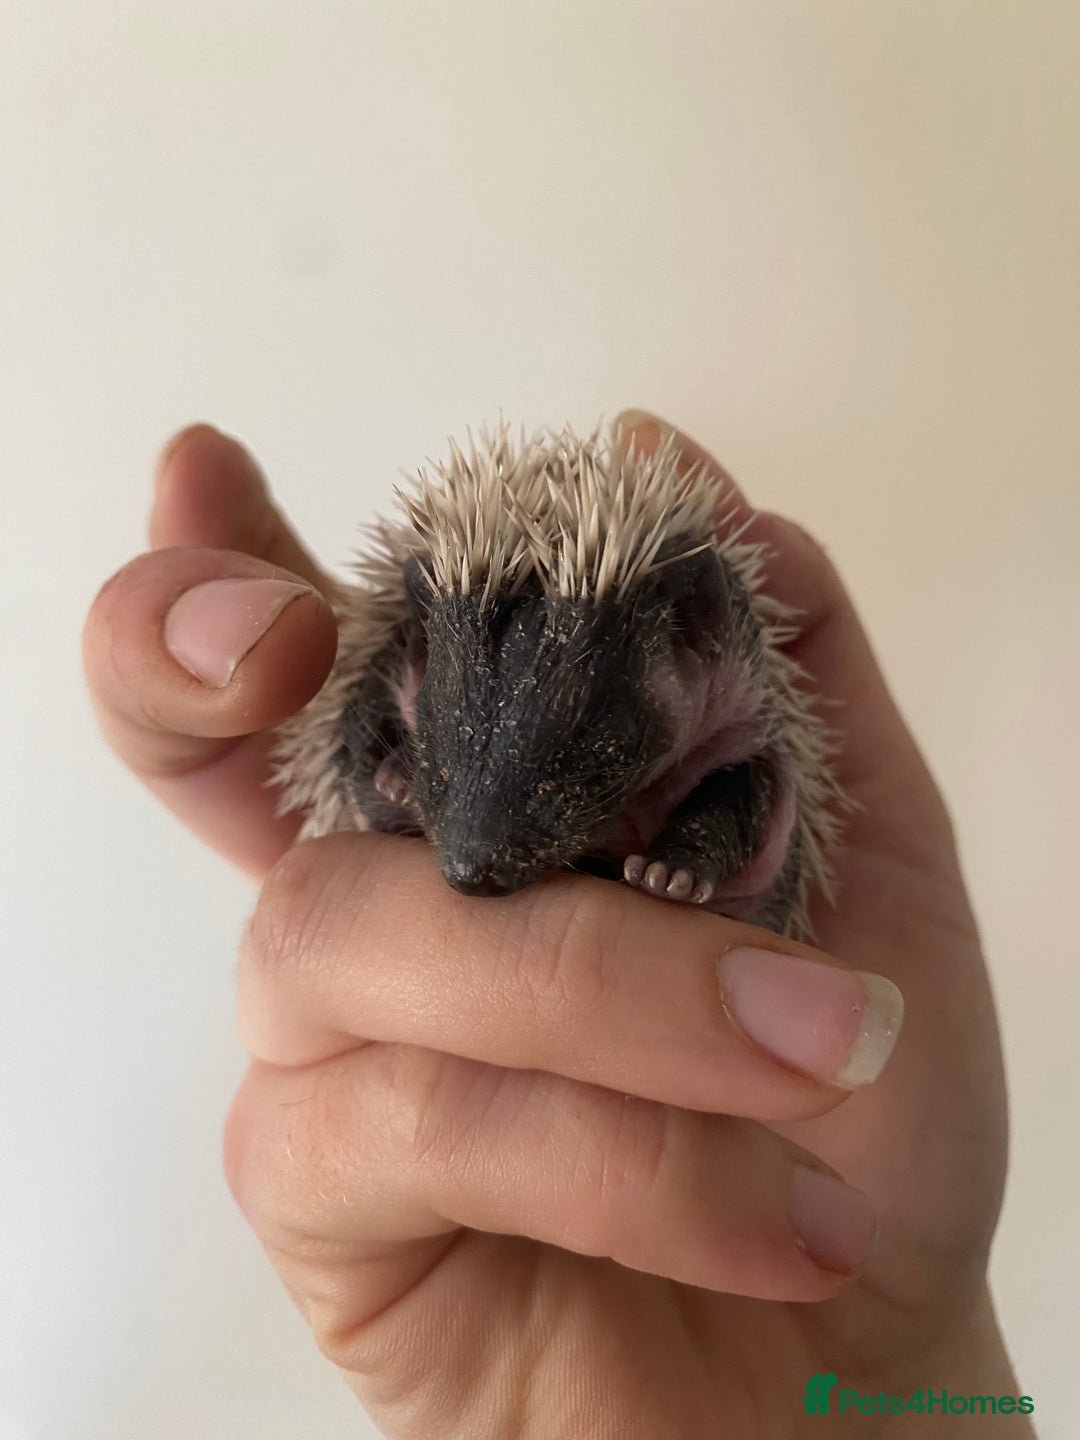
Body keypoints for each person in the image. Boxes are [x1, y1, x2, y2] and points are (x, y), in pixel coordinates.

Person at [82, 412, 1034, 1437]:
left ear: (698, 632)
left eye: (600, 741)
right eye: (445, 742)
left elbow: (747, 811)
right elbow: (374, 756)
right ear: (416, 640)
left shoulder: (731, 717)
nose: (473, 860)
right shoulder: (398, 681)